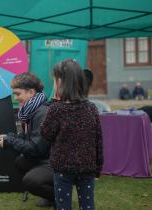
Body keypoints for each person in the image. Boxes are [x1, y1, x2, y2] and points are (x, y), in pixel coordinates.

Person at [41, 59, 103, 210]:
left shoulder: (56, 109)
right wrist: (98, 168)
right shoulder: (91, 108)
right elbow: (98, 140)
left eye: (54, 80)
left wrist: (53, 105)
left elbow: (45, 134)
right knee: (88, 205)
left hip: (63, 169)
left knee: (63, 205)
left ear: (60, 82)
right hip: (87, 167)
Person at [0, 72, 55, 208]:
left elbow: (35, 148)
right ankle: (50, 195)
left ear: (31, 92)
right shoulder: (34, 109)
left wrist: (10, 142)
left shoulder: (42, 113)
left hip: (53, 162)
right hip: (44, 156)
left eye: (18, 94)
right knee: (20, 162)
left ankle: (58, 195)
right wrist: (9, 137)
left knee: (30, 181)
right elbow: (29, 137)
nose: (16, 98)